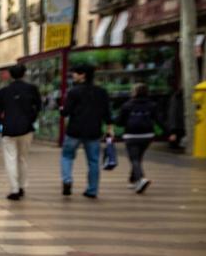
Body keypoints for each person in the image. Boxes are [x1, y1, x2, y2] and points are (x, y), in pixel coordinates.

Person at [60, 63, 113, 199]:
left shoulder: (74, 92)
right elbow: (107, 112)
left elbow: (66, 112)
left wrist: (62, 109)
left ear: (83, 75)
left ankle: (67, 180)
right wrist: (109, 127)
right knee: (93, 161)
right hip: (93, 131)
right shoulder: (101, 92)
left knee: (67, 156)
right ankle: (92, 190)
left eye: (75, 73)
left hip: (74, 130)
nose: (73, 75)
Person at [0, 63, 43, 200]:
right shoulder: (32, 89)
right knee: (22, 159)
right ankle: (22, 186)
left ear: (10, 75)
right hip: (26, 129)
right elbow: (38, 106)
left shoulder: (3, 92)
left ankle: (14, 188)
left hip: (9, 129)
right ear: (24, 74)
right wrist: (30, 119)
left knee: (10, 159)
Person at [117, 83, 158, 193]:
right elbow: (158, 119)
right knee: (138, 158)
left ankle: (141, 179)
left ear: (134, 92)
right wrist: (170, 132)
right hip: (147, 135)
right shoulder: (152, 105)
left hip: (131, 135)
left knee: (134, 159)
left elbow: (119, 122)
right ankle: (133, 180)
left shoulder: (127, 105)